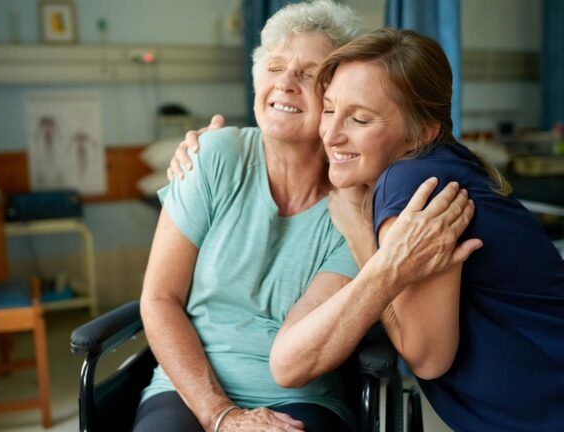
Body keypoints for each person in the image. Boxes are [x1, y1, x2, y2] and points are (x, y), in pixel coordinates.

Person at [169, 28, 564, 431]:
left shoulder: (410, 186)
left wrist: (361, 236)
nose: (332, 133)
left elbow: (427, 358)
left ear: (422, 132)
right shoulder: (431, 166)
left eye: (360, 118)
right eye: (329, 109)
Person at [136, 2, 479, 431]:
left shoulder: (358, 208)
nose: (284, 84)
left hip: (302, 399)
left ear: (338, 95)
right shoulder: (213, 157)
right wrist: (220, 413)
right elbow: (159, 298)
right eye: (275, 66)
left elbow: (298, 360)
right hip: (185, 389)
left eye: (308, 74)